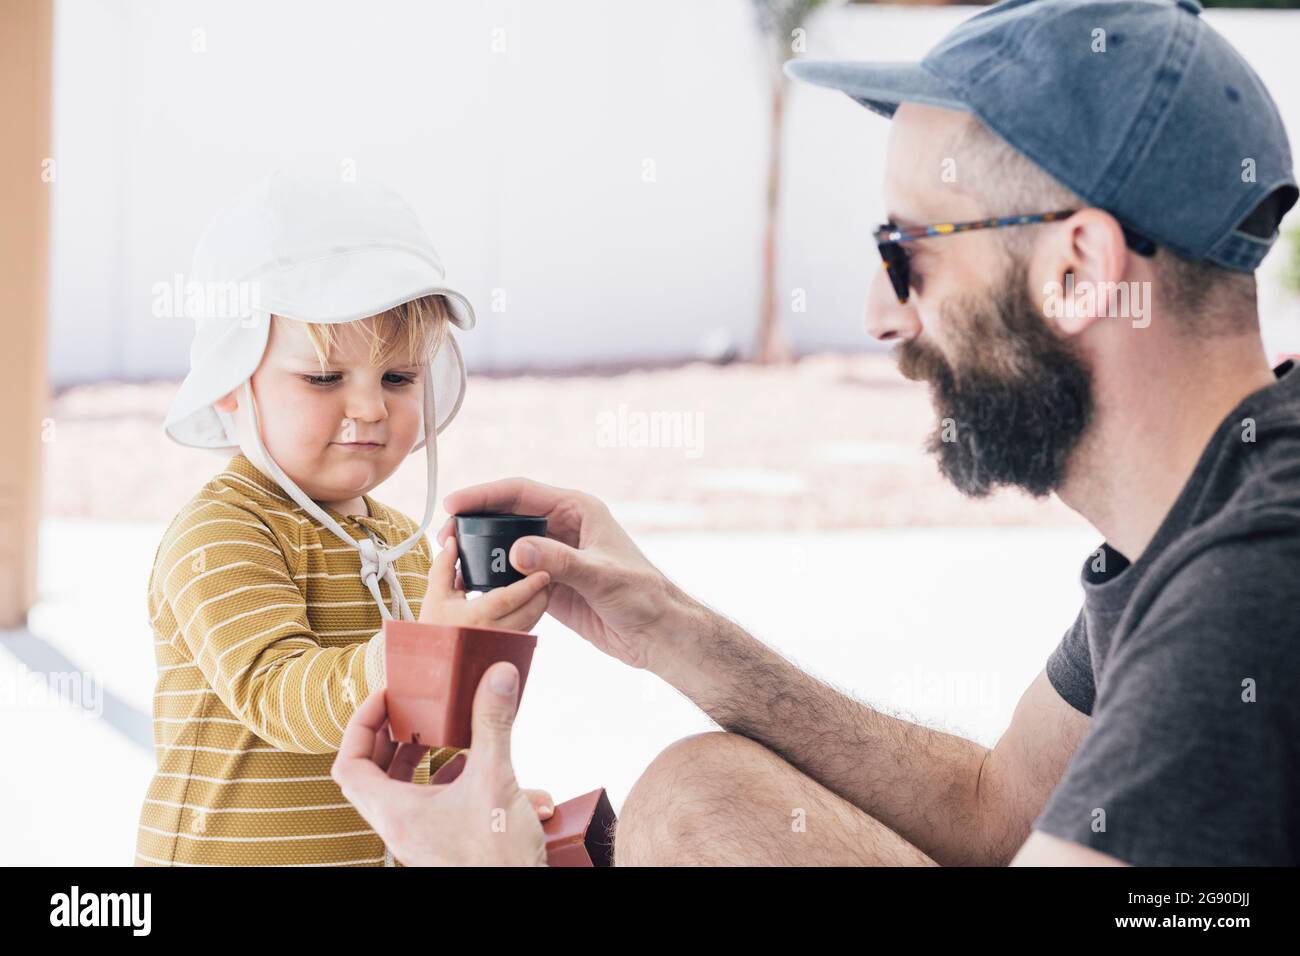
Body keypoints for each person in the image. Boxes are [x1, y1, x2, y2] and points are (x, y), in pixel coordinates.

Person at [421, 0, 1299, 866]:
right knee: (705, 800)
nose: (880, 315)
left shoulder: (1253, 585)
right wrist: (668, 627)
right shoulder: (1199, 514)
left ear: (1075, 273)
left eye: (905, 254)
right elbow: (995, 815)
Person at [136, 173, 551, 866]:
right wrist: (424, 648)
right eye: (325, 379)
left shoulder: (405, 546)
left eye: (398, 378)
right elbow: (278, 696)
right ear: (231, 385)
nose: (370, 409)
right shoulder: (220, 533)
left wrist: (477, 795)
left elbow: (427, 736)